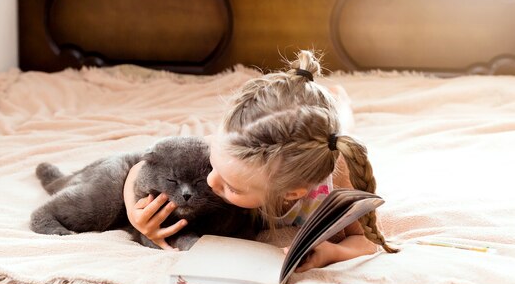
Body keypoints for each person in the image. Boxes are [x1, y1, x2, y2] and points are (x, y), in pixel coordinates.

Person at [123, 49, 397, 271]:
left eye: (233, 187)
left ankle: (339, 101)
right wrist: (135, 216)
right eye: (213, 165)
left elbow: (366, 240)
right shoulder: (228, 150)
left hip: (324, 145)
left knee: (341, 123)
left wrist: (330, 252)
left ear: (292, 193)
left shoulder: (336, 186)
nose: (210, 180)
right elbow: (138, 168)